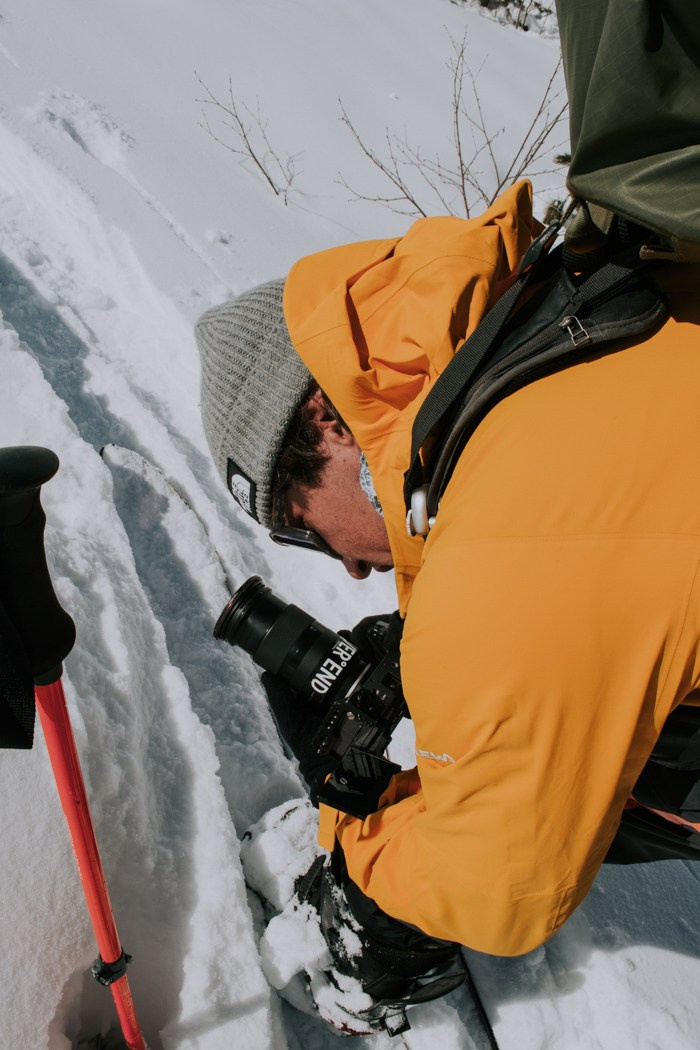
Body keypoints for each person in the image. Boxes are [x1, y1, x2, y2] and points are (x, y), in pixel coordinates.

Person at [195, 1, 700, 1031]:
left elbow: (501, 878)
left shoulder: (516, 519)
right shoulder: (574, 318)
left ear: (331, 424)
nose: (334, 571)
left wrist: (363, 877)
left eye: (298, 525)